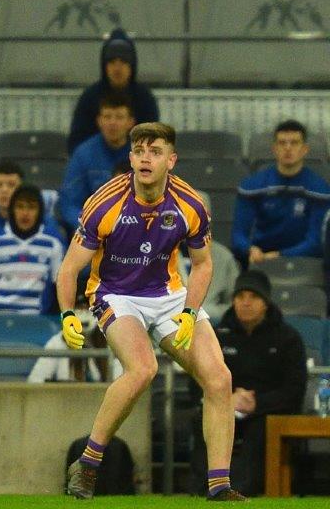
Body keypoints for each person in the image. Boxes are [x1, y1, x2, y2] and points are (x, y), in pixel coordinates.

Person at [57, 122, 245, 501]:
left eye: (155, 151)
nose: (146, 157)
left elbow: (204, 264)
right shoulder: (104, 202)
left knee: (220, 379)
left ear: (171, 160)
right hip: (114, 293)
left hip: (167, 292)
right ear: (130, 158)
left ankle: (220, 486)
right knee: (143, 369)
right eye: (139, 150)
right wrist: (66, 314)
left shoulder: (190, 204)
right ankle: (88, 463)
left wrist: (191, 311)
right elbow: (68, 269)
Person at [188, 269, 307, 497]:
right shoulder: (217, 335)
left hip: (266, 410)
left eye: (254, 297)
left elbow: (294, 389)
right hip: (223, 405)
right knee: (203, 418)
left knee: (259, 428)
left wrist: (256, 404)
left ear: (266, 302)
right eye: (240, 297)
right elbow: (197, 379)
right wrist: (226, 400)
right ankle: (200, 488)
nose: (246, 303)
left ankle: (244, 489)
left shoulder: (288, 338)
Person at [233, 119, 330, 267]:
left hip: (304, 262)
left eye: (294, 143)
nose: (288, 148)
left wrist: (280, 255)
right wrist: (250, 249)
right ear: (274, 148)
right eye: (282, 143)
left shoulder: (319, 189)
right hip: (260, 259)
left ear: (305, 149)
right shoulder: (252, 186)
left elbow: (316, 242)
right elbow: (238, 235)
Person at [0, 185, 65, 315]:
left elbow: (59, 289)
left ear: (40, 211)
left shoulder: (53, 244)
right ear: (12, 210)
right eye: (20, 207)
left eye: (32, 207)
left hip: (36, 323)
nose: (25, 213)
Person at [68, 30, 159, 154]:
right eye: (112, 62)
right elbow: (77, 142)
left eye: (123, 62)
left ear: (132, 65)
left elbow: (153, 141)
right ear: (104, 66)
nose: (117, 68)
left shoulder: (144, 98)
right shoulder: (90, 97)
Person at [59, 93, 135, 233]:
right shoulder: (83, 154)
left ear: (130, 122)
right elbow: (69, 204)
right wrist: (92, 227)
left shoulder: (143, 154)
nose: (112, 123)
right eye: (107, 117)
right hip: (93, 233)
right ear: (99, 121)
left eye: (119, 117)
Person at [28, 291, 123, 383]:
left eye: (88, 308)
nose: (84, 313)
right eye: (78, 308)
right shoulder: (58, 342)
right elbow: (36, 380)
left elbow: (120, 380)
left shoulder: (110, 342)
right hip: (66, 397)